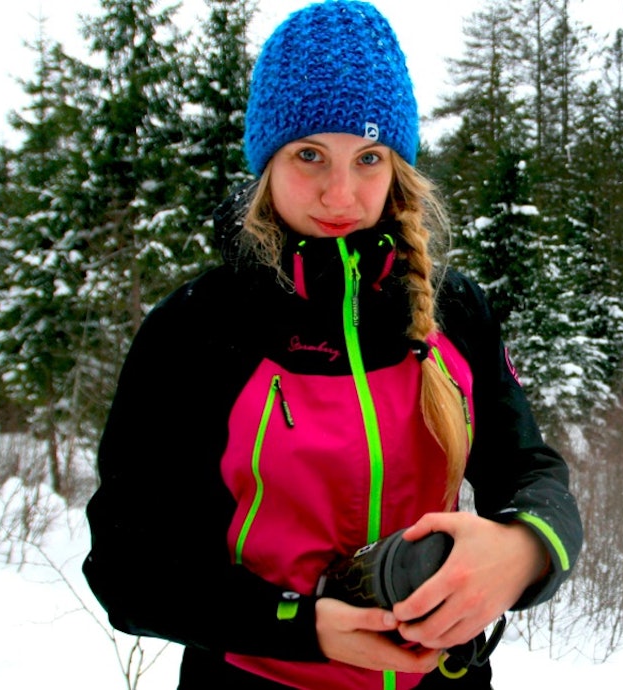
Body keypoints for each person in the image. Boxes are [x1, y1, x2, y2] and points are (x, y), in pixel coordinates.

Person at [81, 2, 582, 688]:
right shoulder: (196, 330)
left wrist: (524, 549)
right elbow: (126, 568)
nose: (339, 192)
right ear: (268, 159)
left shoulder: (454, 310)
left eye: (368, 158)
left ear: (397, 165)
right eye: (309, 154)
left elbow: (531, 471)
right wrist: (303, 626)